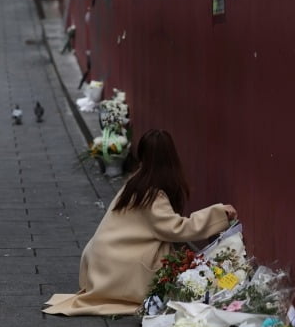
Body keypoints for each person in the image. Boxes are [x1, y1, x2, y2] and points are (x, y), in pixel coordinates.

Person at [42, 129, 238, 316]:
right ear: (171, 156)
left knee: (164, 247)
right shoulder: (152, 194)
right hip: (115, 264)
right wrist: (219, 213)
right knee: (165, 251)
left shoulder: (137, 182)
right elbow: (176, 229)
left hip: (101, 260)